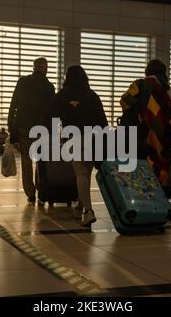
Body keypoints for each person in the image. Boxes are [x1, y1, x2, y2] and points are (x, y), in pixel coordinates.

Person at [43, 65, 108, 227]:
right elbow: (102, 121)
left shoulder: (63, 95)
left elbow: (48, 116)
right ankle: (80, 206)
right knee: (86, 173)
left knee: (80, 173)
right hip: (94, 138)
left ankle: (88, 211)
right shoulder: (92, 95)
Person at [120, 59, 171, 190]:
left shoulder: (140, 84)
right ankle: (160, 195)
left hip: (144, 132)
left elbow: (125, 100)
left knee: (143, 165)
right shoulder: (169, 89)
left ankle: (143, 194)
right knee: (161, 166)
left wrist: (140, 114)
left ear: (147, 71)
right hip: (165, 134)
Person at [7, 57, 55, 205]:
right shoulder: (49, 87)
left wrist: (11, 127)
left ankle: (30, 193)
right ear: (45, 68)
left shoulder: (23, 82)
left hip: (23, 128)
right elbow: (52, 111)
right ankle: (41, 191)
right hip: (42, 129)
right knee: (40, 162)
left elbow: (13, 104)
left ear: (34, 67)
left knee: (26, 162)